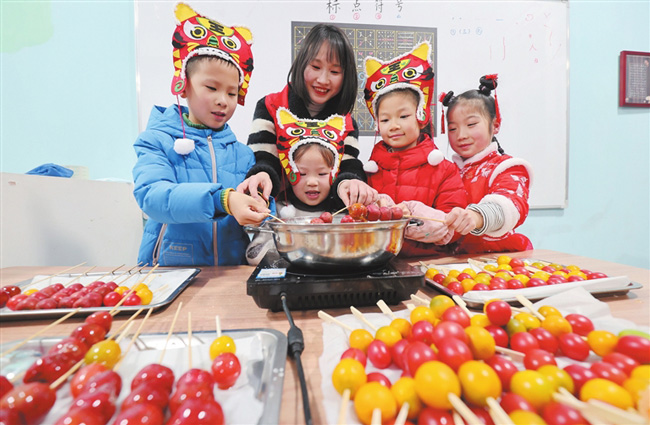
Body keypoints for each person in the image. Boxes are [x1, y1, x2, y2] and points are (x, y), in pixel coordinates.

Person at [132, 3, 270, 266]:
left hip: (230, 274)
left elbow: (254, 218)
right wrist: (222, 199)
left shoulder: (243, 154)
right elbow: (152, 197)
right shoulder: (156, 141)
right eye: (211, 88)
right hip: (169, 270)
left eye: (232, 92)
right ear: (183, 85)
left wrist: (263, 203)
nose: (223, 100)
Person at [238, 23, 377, 207]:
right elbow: (264, 158)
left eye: (334, 71)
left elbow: (348, 166)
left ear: (346, 77)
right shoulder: (270, 106)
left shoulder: (346, 122)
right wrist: (262, 175)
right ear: (302, 63)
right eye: (316, 66)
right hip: (280, 211)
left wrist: (351, 182)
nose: (323, 80)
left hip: (329, 215)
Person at [362, 42, 469, 257]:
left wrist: (410, 217)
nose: (394, 125)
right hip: (377, 262)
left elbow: (453, 228)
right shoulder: (371, 170)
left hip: (427, 264)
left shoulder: (443, 170)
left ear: (421, 115)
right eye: (385, 119)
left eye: (403, 116)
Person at [441, 74, 533, 253]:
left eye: (471, 124)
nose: (461, 135)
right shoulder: (446, 170)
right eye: (452, 128)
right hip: (453, 260)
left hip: (497, 258)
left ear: (495, 125)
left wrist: (477, 217)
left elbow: (511, 205)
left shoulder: (508, 167)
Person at [246, 108, 351, 265]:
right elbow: (253, 256)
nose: (312, 182)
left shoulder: (341, 215)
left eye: (322, 174)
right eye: (302, 173)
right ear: (289, 175)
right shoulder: (278, 214)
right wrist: (288, 244)